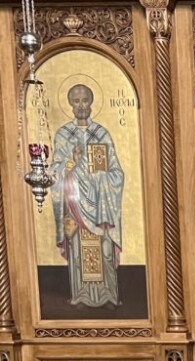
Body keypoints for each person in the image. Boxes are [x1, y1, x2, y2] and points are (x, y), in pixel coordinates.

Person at [51, 83, 125, 308]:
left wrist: (102, 178)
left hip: (101, 206)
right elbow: (55, 171)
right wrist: (71, 161)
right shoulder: (63, 134)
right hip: (74, 204)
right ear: (70, 105)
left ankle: (108, 295)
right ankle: (81, 296)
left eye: (85, 100)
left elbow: (116, 173)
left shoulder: (101, 133)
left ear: (92, 102)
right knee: (77, 250)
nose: (81, 105)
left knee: (103, 249)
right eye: (76, 101)